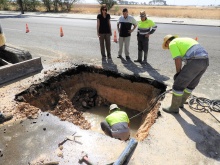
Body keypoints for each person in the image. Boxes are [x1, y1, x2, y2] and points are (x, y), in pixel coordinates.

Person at [162, 34, 209, 113]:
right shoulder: (185, 40)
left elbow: (177, 59)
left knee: (178, 85)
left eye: (167, 46)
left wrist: (178, 73)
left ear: (167, 42)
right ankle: (180, 103)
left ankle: (174, 108)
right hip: (205, 61)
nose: (168, 48)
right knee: (191, 84)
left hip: (195, 61)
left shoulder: (172, 43)